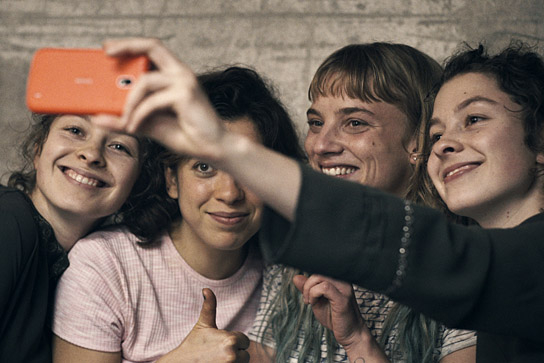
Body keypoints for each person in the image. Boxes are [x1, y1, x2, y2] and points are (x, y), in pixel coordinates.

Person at [92, 39, 544, 362]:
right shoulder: (295, 260)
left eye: (354, 123)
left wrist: (221, 144)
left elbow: (448, 258)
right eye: (439, 131)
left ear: (412, 145)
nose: (322, 145)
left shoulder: (472, 262)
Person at [51, 66, 306, 362]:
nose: (229, 193)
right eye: (204, 167)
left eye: (249, 169)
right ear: (172, 179)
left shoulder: (288, 276)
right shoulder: (106, 264)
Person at [247, 43, 476, 363]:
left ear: (418, 139)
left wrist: (356, 338)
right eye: (315, 122)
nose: (321, 145)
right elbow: (263, 356)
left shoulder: (463, 263)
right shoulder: (299, 245)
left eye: (354, 123)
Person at [0, 111, 161, 363]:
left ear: (138, 182)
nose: (92, 154)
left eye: (119, 146)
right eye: (75, 131)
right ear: (38, 150)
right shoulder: (10, 220)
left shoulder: (85, 269)